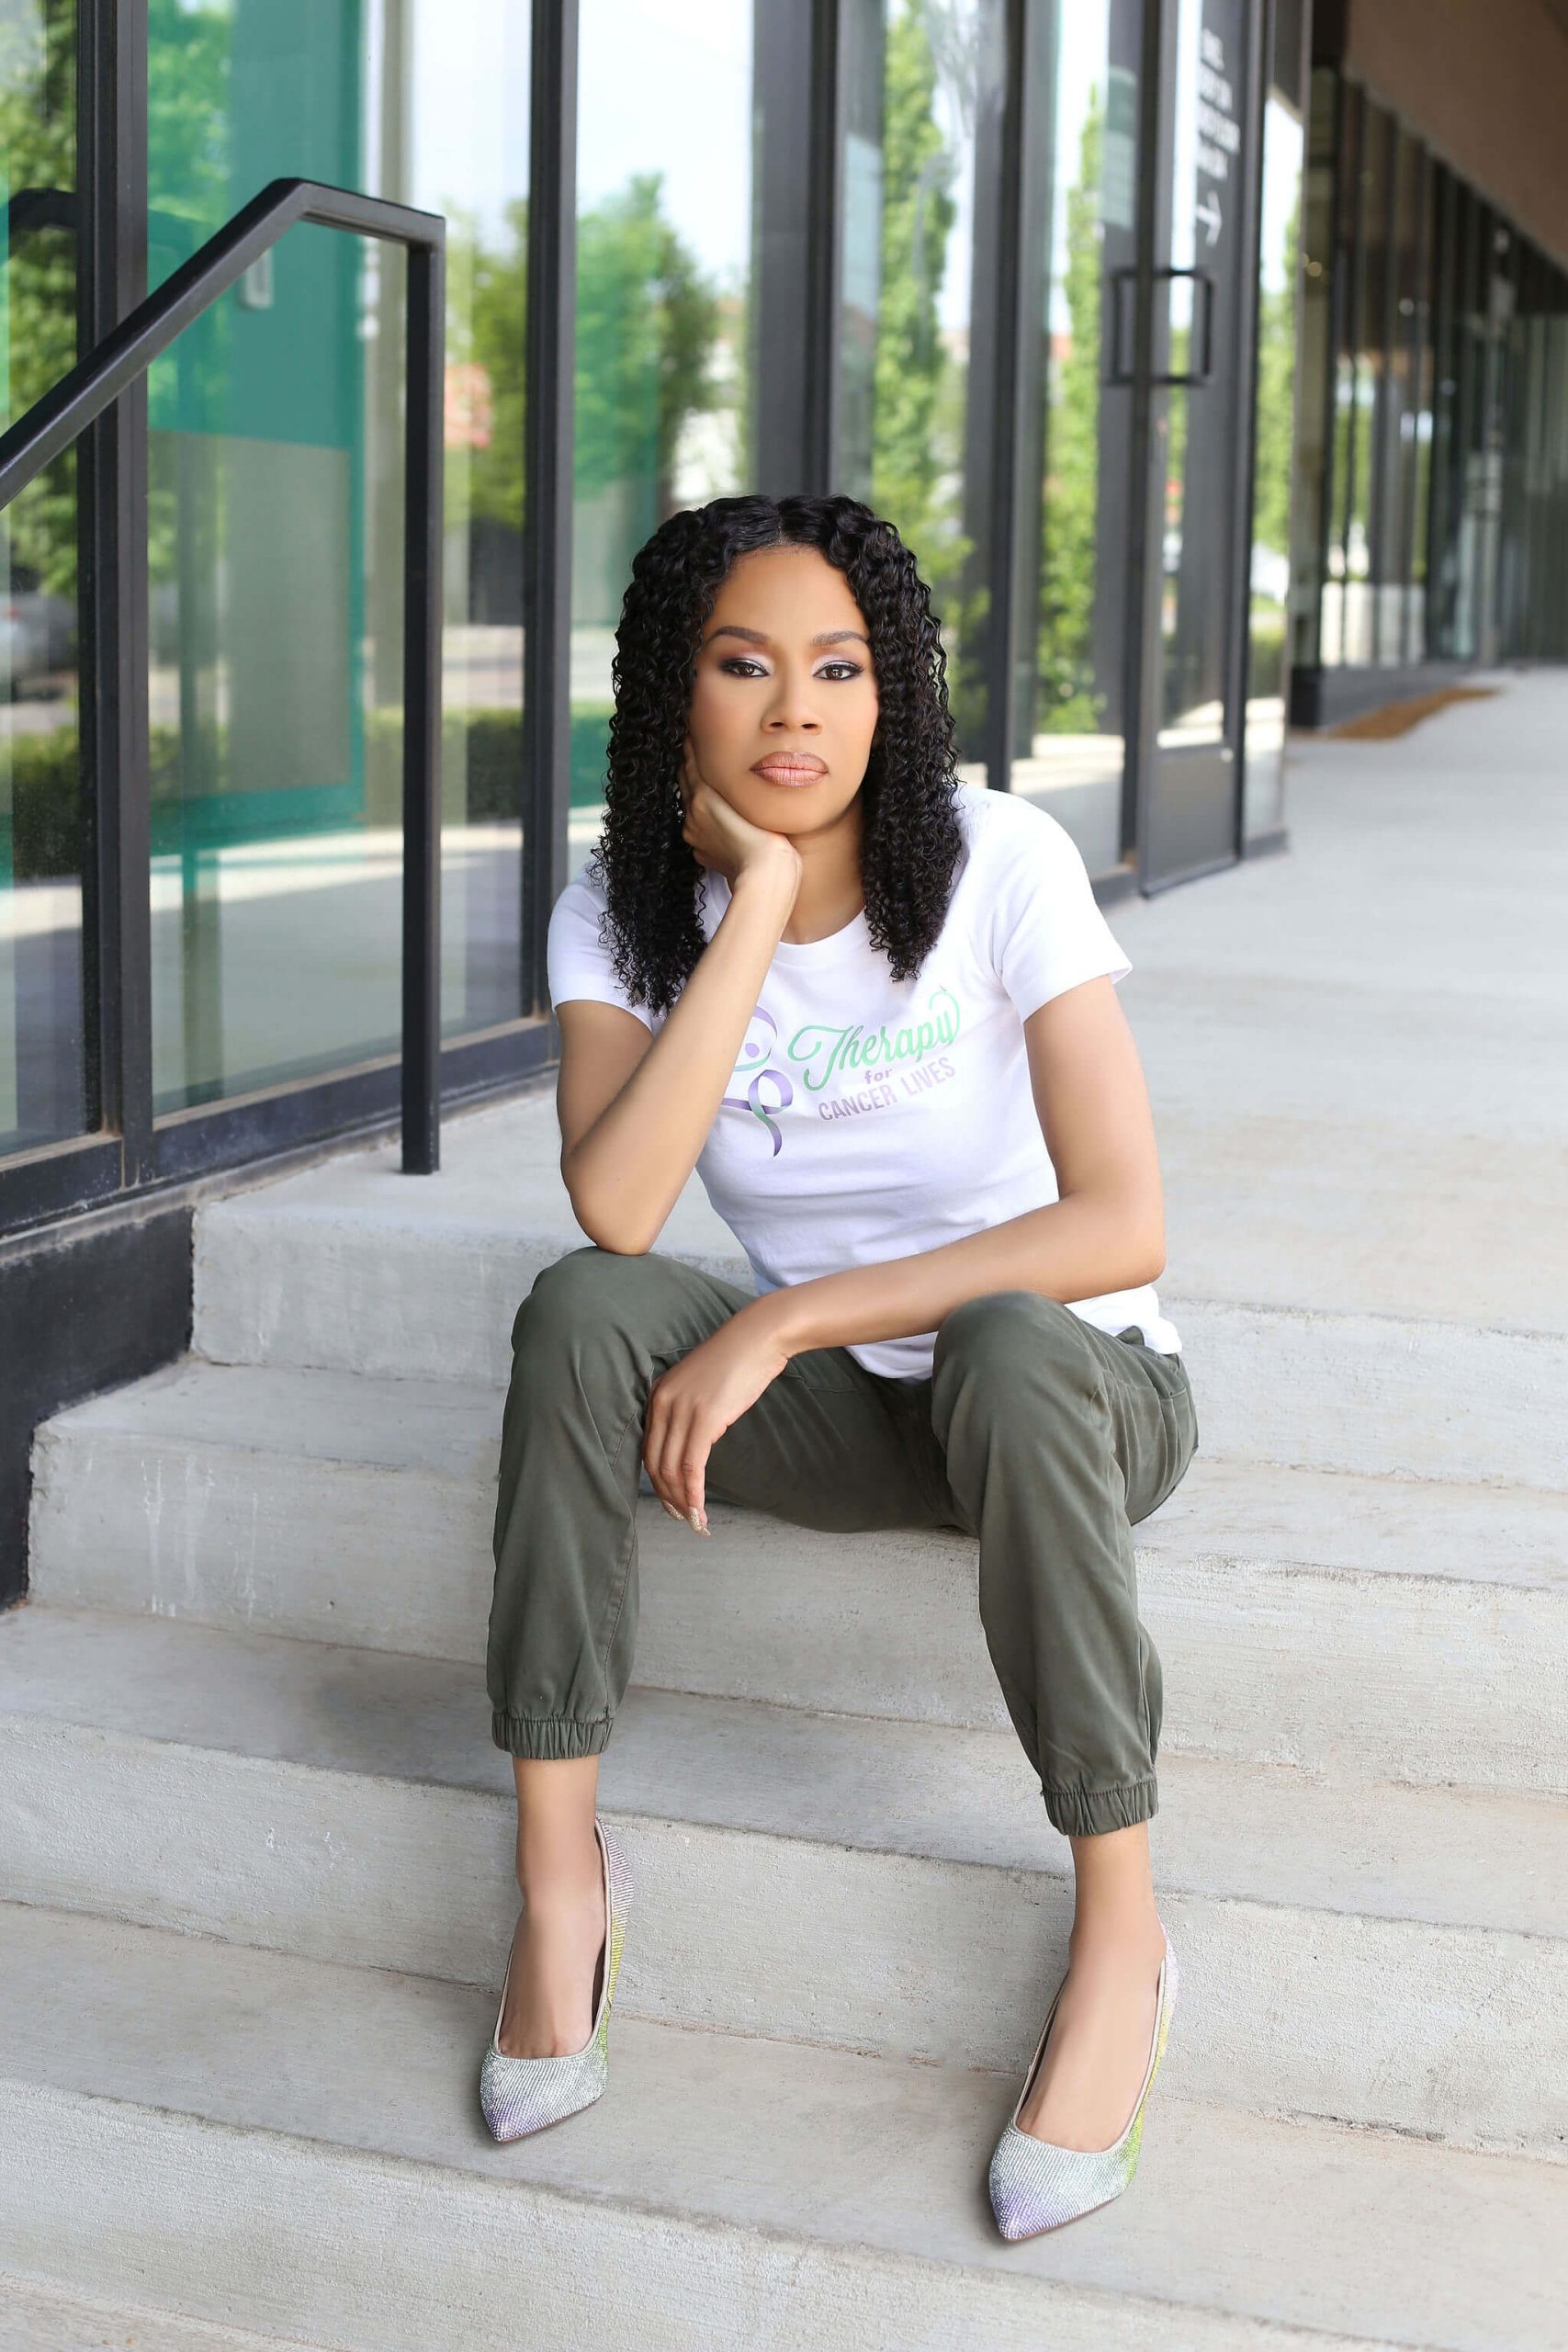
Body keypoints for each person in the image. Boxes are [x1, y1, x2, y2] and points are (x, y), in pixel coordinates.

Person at [479, 492, 1198, 2236]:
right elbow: (619, 1208)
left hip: (1069, 1397)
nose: (797, 709)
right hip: (857, 1425)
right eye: (746, 666)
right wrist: (757, 909)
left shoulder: (1000, 861)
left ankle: (1121, 1933)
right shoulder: (616, 916)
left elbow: (1123, 1222)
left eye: (841, 668)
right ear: (677, 690)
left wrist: (789, 1312)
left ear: (896, 695)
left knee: (1007, 1341)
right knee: (577, 1310)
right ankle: (561, 1877)